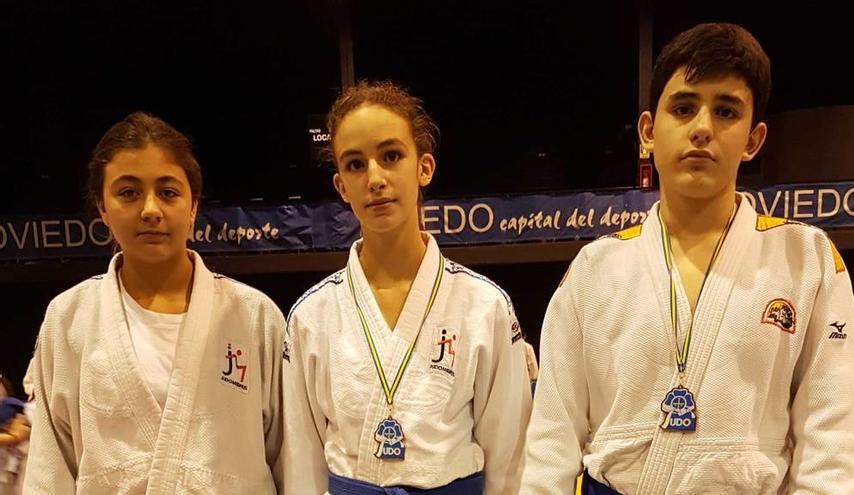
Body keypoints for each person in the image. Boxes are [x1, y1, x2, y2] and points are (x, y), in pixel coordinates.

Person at [522, 23, 854, 494]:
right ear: (649, 131)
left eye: (726, 111)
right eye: (684, 108)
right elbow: (551, 441)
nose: (703, 128)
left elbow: (832, 443)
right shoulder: (594, 269)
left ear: (754, 138)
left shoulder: (806, 261)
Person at [282, 81, 532, 494]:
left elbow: (509, 461)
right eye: (355, 165)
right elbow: (301, 468)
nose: (375, 178)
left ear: (424, 168)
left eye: (391, 156)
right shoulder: (311, 316)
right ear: (341, 186)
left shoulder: (485, 306)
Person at [25, 112, 287, 493]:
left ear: (193, 205)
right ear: (102, 207)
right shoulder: (68, 319)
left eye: (168, 192)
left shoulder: (254, 315)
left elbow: (289, 458)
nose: (151, 209)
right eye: (128, 192)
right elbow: (49, 469)